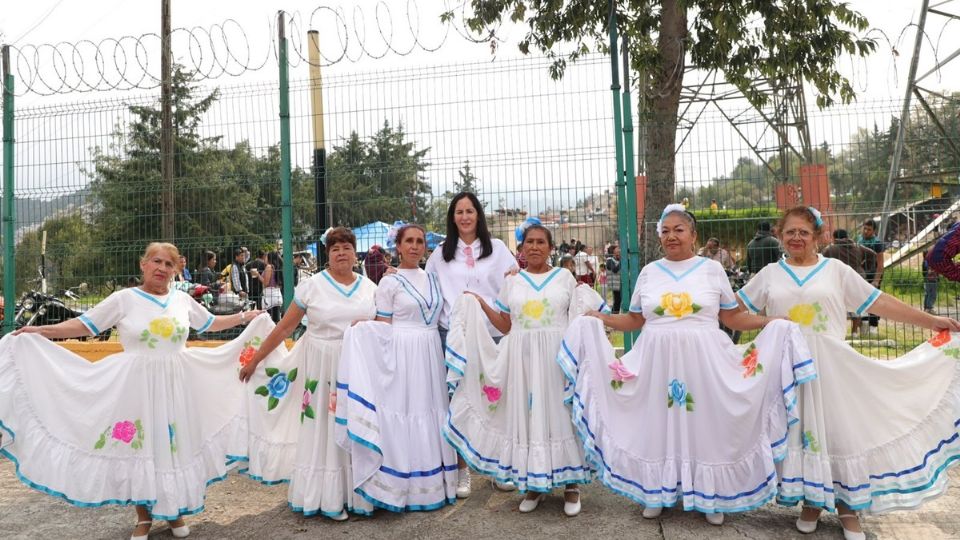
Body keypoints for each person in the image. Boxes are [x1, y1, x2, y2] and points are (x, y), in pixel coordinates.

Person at [559, 204, 811, 526]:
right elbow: (636, 318)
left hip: (704, 362)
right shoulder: (649, 272)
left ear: (693, 235)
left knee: (706, 422)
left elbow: (731, 316)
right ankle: (655, 492)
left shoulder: (711, 270)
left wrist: (770, 321)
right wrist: (602, 318)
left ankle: (711, 494)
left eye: (678, 229)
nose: (671, 236)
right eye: (665, 231)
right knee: (657, 422)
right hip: (656, 363)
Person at [0, 242, 269, 540]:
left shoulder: (181, 300)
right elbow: (86, 326)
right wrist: (41, 331)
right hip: (136, 386)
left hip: (177, 383)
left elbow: (211, 324)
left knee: (173, 446)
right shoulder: (124, 299)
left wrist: (247, 318)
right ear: (143, 265)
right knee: (142, 446)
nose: (162, 269)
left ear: (175, 270)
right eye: (156, 261)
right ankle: (143, 517)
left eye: (169, 264)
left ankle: (174, 511)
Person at [737, 206, 960, 539]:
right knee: (804, 433)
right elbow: (735, 314)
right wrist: (768, 322)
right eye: (790, 232)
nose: (796, 238)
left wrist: (931, 321)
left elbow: (878, 302)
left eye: (803, 232)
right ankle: (811, 502)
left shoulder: (835, 270)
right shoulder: (770, 274)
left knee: (839, 433)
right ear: (780, 236)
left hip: (832, 366)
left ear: (818, 236)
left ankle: (848, 509)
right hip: (786, 368)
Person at [445, 223, 606, 517]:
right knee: (529, 417)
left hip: (555, 357)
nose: (534, 247)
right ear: (521, 248)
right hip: (521, 359)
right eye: (529, 242)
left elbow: (576, 319)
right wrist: (480, 304)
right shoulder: (513, 282)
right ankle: (536, 485)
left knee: (559, 414)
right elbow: (506, 325)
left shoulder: (565, 277)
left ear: (550, 247)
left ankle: (571, 485)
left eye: (540, 242)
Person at [239, 227, 377, 520]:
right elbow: (285, 328)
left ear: (355, 253)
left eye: (346, 247)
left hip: (357, 367)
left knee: (354, 423)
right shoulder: (311, 287)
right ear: (328, 254)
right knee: (324, 426)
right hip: (321, 364)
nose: (341, 252)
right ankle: (326, 497)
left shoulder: (370, 288)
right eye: (335, 248)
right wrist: (256, 360)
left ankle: (358, 495)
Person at [336, 224, 458, 512]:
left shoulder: (433, 279)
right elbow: (384, 325)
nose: (415, 247)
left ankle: (431, 487)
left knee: (430, 411)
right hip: (403, 354)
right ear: (398, 247)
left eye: (419, 241)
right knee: (407, 411)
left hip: (430, 352)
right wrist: (362, 328)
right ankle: (400, 487)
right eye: (409, 242)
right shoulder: (390, 283)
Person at [424, 191, 518, 498]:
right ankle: (462, 470)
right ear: (452, 217)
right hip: (454, 335)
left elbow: (512, 285)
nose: (465, 216)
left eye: (470, 210)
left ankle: (497, 466)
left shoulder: (499, 250)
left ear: (479, 215)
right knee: (458, 400)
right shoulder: (439, 254)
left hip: (492, 332)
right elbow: (428, 292)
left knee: (495, 398)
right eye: (459, 211)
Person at [857, 218, 885, 336]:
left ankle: (873, 326)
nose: (866, 231)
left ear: (874, 231)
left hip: (874, 273)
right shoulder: (859, 241)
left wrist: (876, 280)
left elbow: (880, 264)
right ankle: (863, 324)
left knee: (874, 300)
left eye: (869, 229)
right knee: (862, 299)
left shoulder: (877, 243)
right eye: (865, 228)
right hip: (862, 274)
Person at [605, 245, 621, 313]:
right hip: (615, 284)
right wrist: (623, 261)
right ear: (613, 251)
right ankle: (614, 314)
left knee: (618, 300)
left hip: (619, 283)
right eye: (617, 249)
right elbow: (614, 269)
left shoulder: (616, 259)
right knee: (617, 301)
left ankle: (614, 313)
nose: (619, 250)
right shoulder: (609, 260)